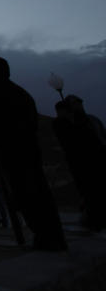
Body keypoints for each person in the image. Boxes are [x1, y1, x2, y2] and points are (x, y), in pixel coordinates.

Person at [0, 57, 66, 250]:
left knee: (24, 194)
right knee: (39, 192)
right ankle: (53, 234)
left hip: (10, 152)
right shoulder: (21, 93)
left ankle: (43, 236)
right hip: (29, 150)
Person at [53, 94, 106, 230]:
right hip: (81, 165)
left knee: (95, 192)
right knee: (89, 193)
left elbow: (100, 139)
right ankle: (94, 219)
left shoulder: (91, 120)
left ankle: (95, 219)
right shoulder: (65, 123)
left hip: (95, 162)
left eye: (78, 103)